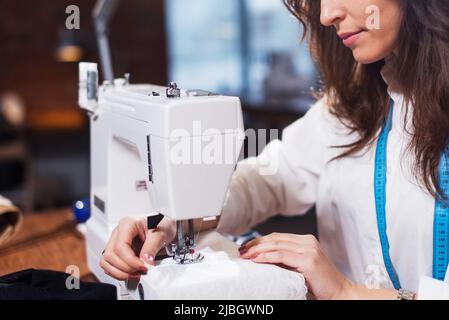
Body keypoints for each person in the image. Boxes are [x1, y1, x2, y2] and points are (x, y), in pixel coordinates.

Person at [100, 0, 449, 299]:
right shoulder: (352, 104)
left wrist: (347, 292)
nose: (326, 15)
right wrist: (174, 219)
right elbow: (272, 177)